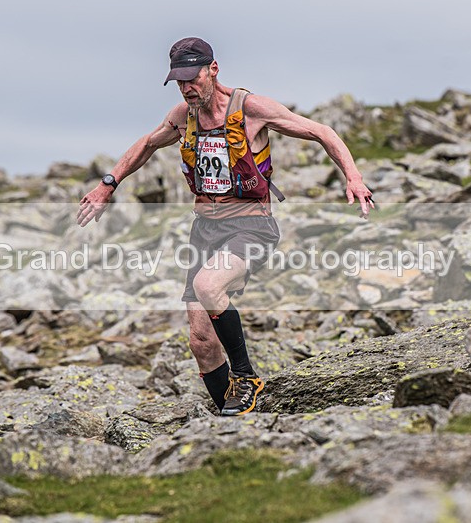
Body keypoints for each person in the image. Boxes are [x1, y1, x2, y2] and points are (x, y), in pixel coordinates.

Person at [77, 37, 373, 416]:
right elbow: (147, 144)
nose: (187, 88)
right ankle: (230, 420)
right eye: (179, 82)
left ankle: (246, 377)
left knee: (208, 285)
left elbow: (323, 132)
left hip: (252, 226)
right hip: (206, 228)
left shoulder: (252, 109)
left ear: (212, 70)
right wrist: (108, 184)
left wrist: (353, 177)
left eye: (192, 79)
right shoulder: (182, 117)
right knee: (200, 340)